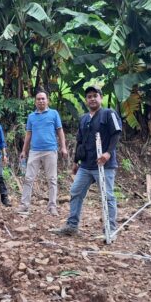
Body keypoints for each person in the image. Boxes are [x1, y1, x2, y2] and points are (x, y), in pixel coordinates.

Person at [55, 86, 122, 237]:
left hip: (104, 164)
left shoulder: (108, 113)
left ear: (101, 98)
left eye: (95, 96)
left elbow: (116, 134)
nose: (92, 99)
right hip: (86, 165)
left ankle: (110, 229)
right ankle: (72, 226)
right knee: (76, 191)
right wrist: (75, 161)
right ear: (86, 100)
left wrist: (108, 153)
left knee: (107, 196)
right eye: (89, 96)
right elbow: (80, 141)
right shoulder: (84, 118)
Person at [18, 90, 68, 216]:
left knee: (52, 179)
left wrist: (63, 147)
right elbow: (28, 134)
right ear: (35, 102)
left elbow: (60, 131)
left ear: (47, 101)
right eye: (38, 99)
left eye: (43, 98)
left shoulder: (54, 114)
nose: (41, 101)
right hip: (34, 151)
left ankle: (52, 207)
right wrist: (24, 150)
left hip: (50, 150)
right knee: (28, 178)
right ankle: (24, 205)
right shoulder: (31, 117)